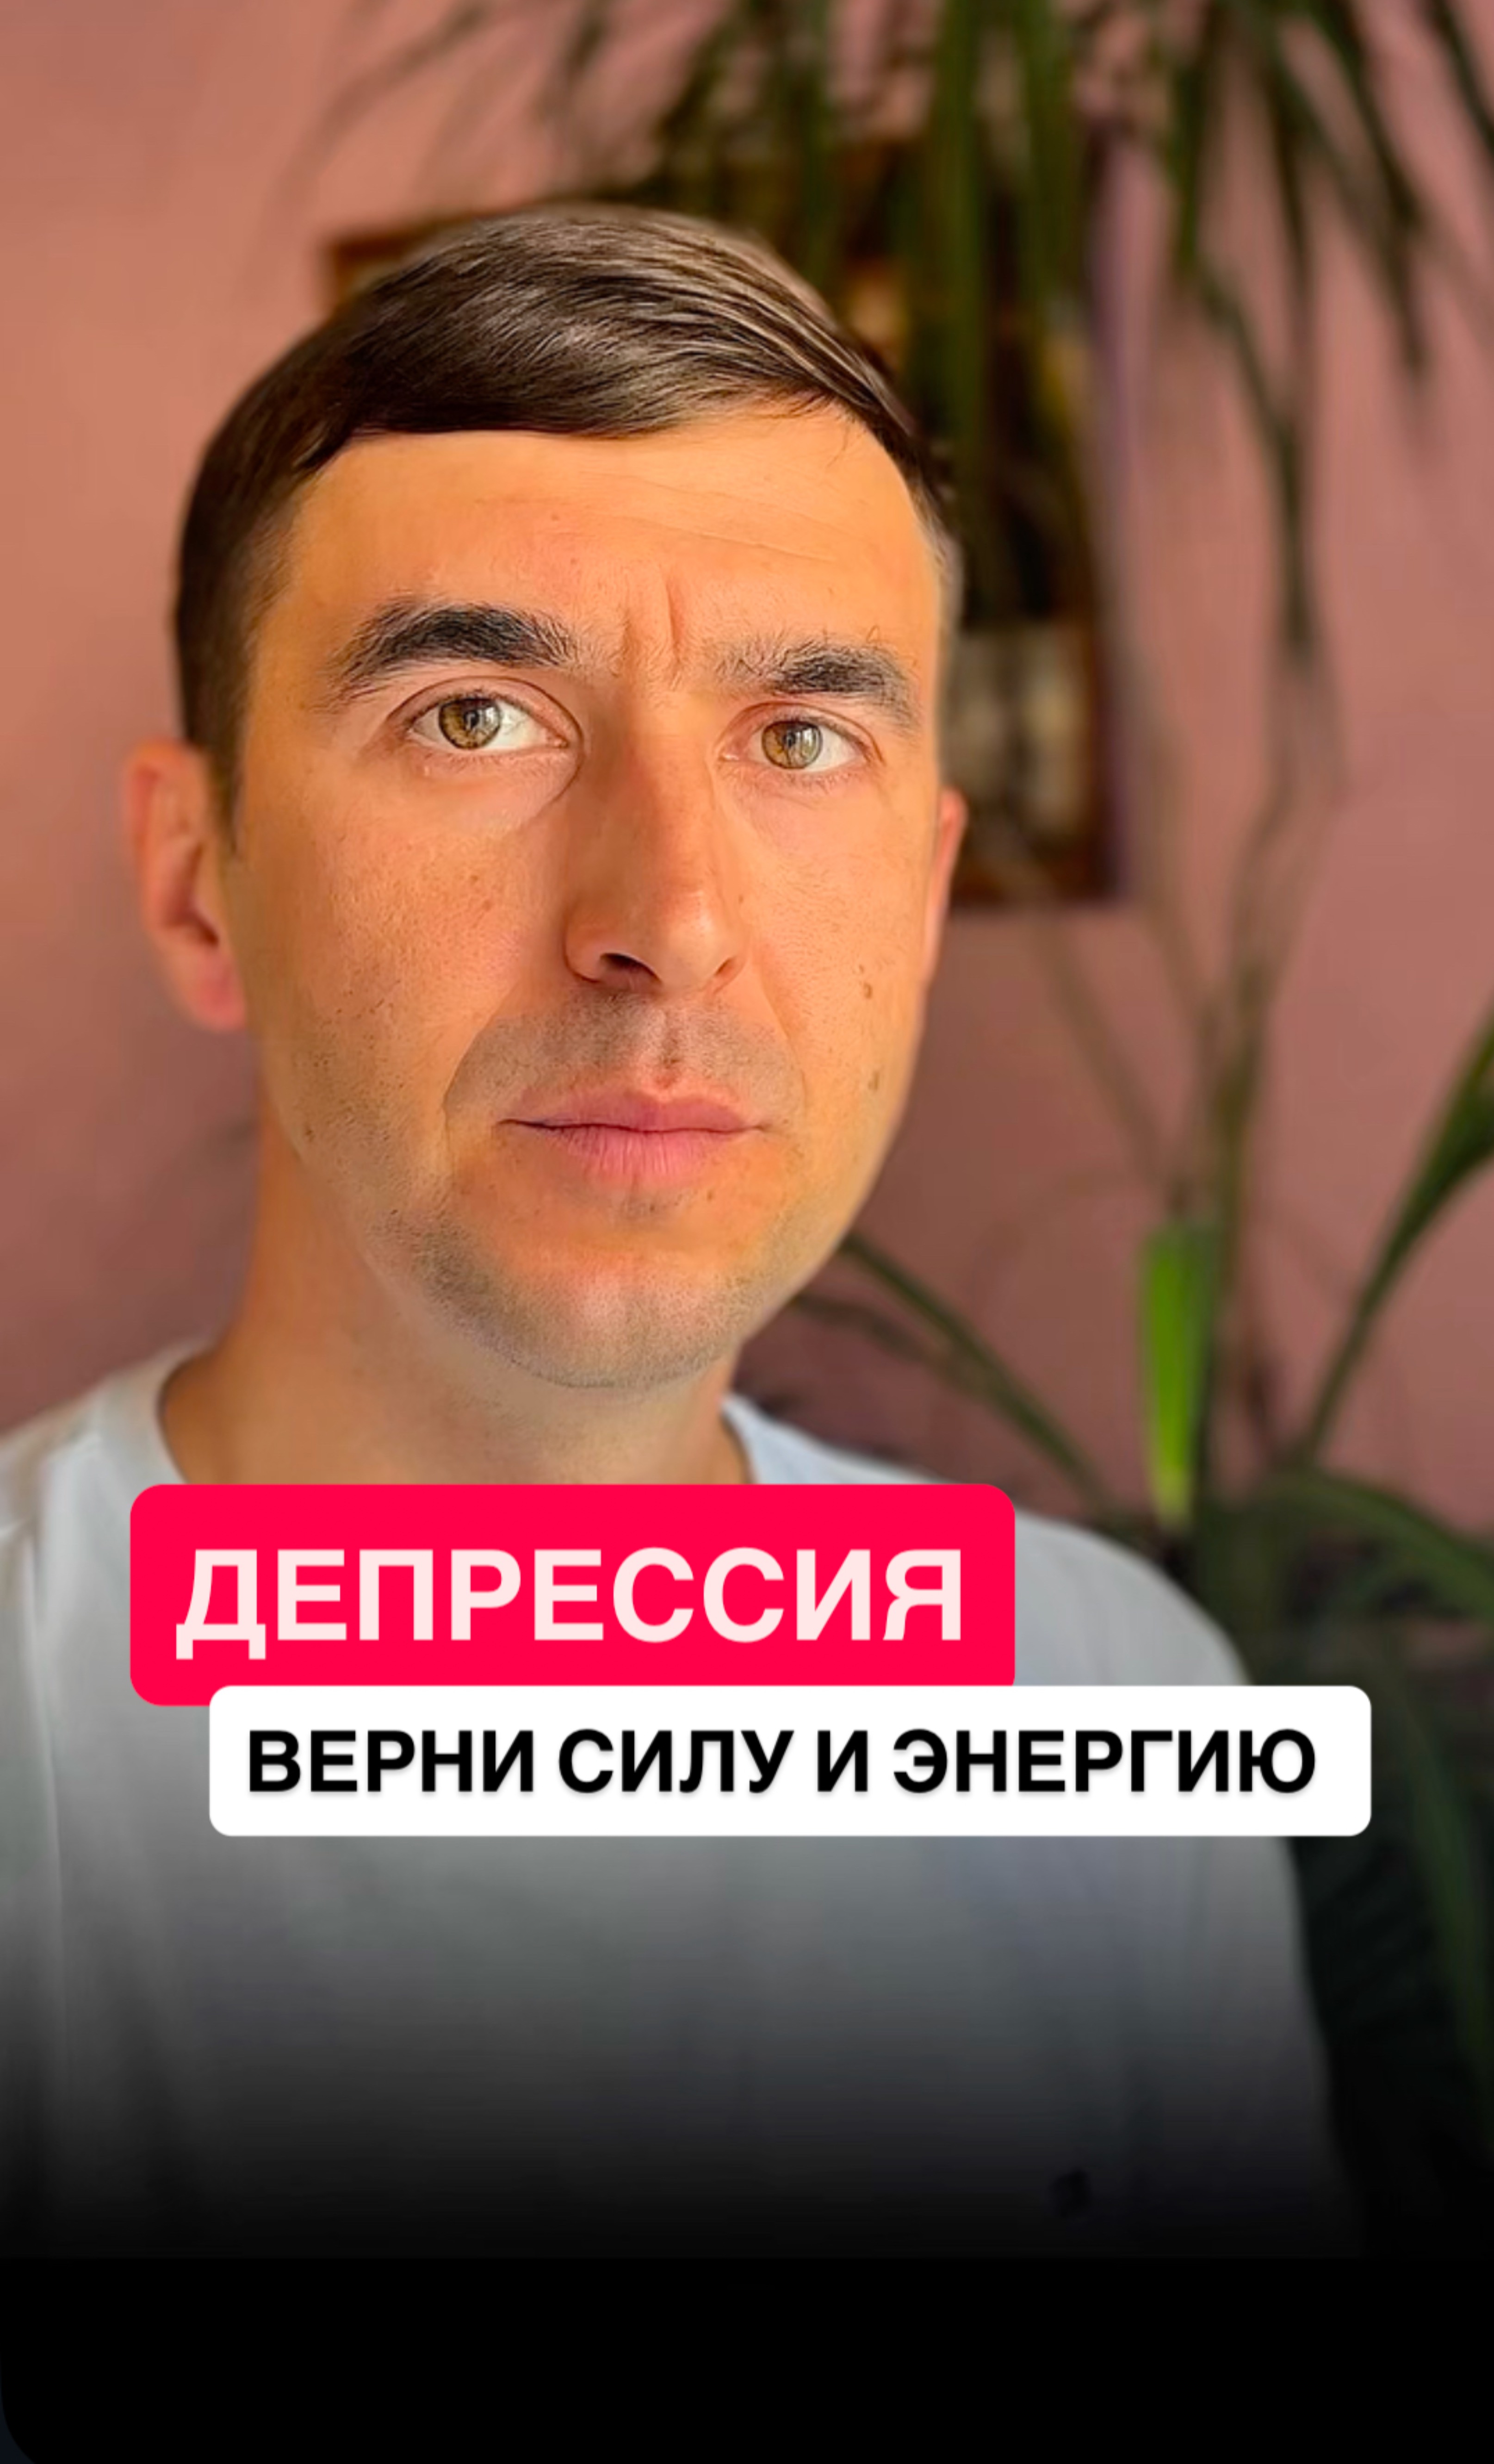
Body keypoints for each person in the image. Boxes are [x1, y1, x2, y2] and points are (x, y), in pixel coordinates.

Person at [0, 205, 1343, 2257]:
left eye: (801, 738)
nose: (672, 919)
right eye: (473, 714)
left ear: (920, 901)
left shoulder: (1121, 1710)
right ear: (198, 882)